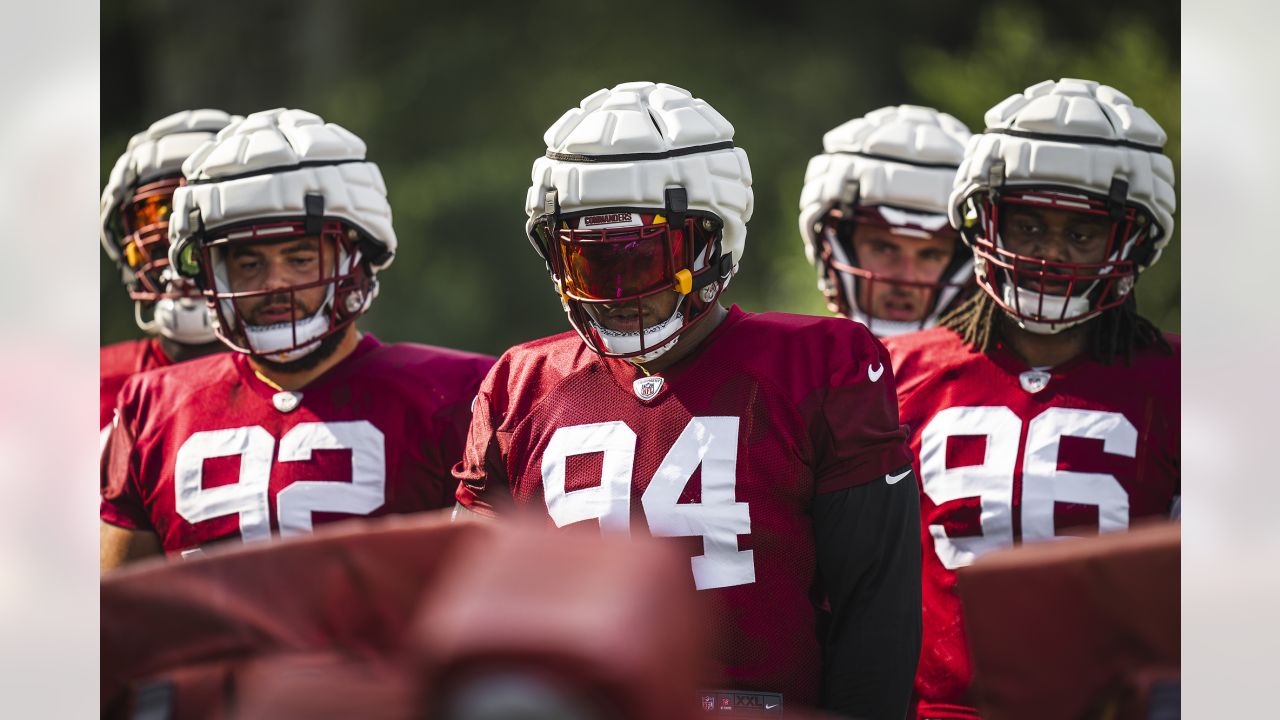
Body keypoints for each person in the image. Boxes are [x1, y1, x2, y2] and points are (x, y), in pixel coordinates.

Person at [453, 82, 921, 719]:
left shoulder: (818, 365)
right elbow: (478, 623)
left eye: (645, 257)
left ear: (712, 240)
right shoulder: (521, 384)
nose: (617, 290)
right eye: (590, 261)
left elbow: (875, 610)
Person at [882, 78, 1179, 720]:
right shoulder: (900, 372)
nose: (1049, 254)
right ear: (985, 218)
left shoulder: (1186, 385)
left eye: (1081, 234)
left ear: (1131, 241)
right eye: (1030, 224)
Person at [100, 108, 495, 571]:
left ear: (356, 256)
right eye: (249, 264)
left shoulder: (464, 393)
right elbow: (120, 616)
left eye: (301, 258)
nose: (274, 283)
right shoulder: (153, 407)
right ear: (209, 272)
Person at [99, 110, 237, 440]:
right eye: (156, 211)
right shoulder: (95, 383)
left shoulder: (298, 375)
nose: (176, 235)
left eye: (201, 209)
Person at [798, 105, 975, 337]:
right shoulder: (783, 367)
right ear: (834, 244)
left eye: (931, 255)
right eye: (884, 248)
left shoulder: (996, 373)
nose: (906, 278)